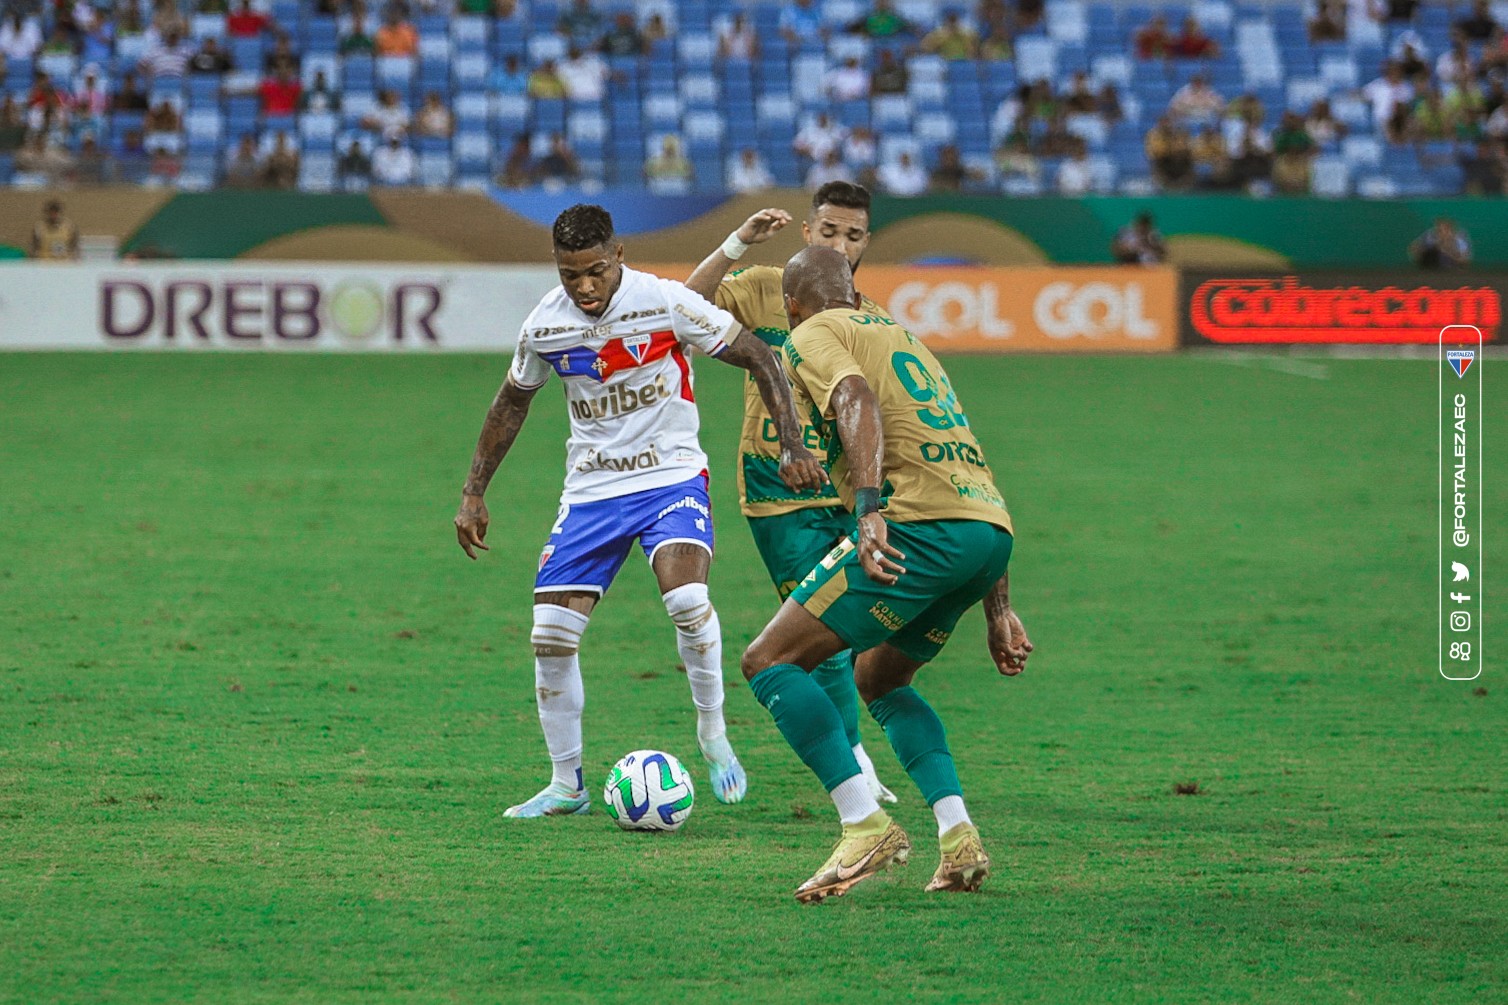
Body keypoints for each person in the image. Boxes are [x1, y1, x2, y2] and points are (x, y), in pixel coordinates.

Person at [452, 204, 826, 817]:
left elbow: (759, 355)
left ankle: (712, 732)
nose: (585, 286)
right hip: (593, 491)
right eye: (570, 274)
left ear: (618, 254)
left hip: (670, 475)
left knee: (686, 601)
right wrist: (473, 492)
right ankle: (566, 785)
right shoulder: (545, 325)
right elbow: (511, 403)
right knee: (549, 636)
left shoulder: (664, 303)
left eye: (595, 270)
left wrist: (790, 443)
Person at [737, 245, 1030, 903]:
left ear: (791, 303)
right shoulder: (906, 339)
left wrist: (869, 511)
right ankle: (957, 839)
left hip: (914, 524)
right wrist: (997, 605)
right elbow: (966, 463)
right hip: (985, 530)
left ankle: (862, 822)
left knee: (770, 660)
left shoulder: (811, 333)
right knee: (881, 675)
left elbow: (854, 396)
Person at [681, 183, 899, 808]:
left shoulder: (873, 318)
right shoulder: (765, 285)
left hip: (846, 492)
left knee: (855, 624)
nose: (840, 244)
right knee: (820, 626)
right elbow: (689, 306)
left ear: (865, 244)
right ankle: (854, 765)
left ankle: (854, 752)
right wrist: (734, 245)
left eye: (853, 236)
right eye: (828, 231)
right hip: (776, 489)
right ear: (807, 233)